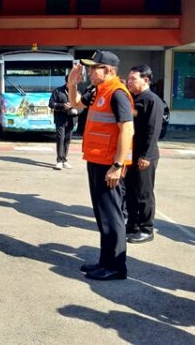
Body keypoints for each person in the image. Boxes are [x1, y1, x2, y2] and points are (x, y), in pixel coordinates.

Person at [68, 50, 134, 281]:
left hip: (109, 164)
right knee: (102, 215)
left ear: (107, 70)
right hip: (96, 160)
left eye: (93, 68)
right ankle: (106, 261)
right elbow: (75, 104)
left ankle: (116, 266)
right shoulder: (98, 90)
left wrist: (117, 165)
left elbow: (127, 130)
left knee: (112, 216)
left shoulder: (117, 93)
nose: (89, 71)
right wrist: (72, 84)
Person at [125, 65, 164, 244]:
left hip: (145, 155)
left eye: (133, 78)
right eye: (129, 78)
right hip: (131, 153)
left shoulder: (152, 100)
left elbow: (153, 131)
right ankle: (132, 225)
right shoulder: (132, 98)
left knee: (143, 192)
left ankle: (147, 229)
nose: (129, 81)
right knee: (130, 191)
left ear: (145, 80)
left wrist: (146, 156)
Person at [49, 75, 79, 170]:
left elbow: (82, 106)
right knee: (60, 139)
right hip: (60, 119)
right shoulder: (57, 91)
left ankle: (64, 160)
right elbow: (51, 104)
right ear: (67, 82)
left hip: (72, 119)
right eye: (73, 83)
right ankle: (59, 161)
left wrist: (76, 109)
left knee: (67, 140)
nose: (74, 85)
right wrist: (62, 106)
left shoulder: (77, 92)